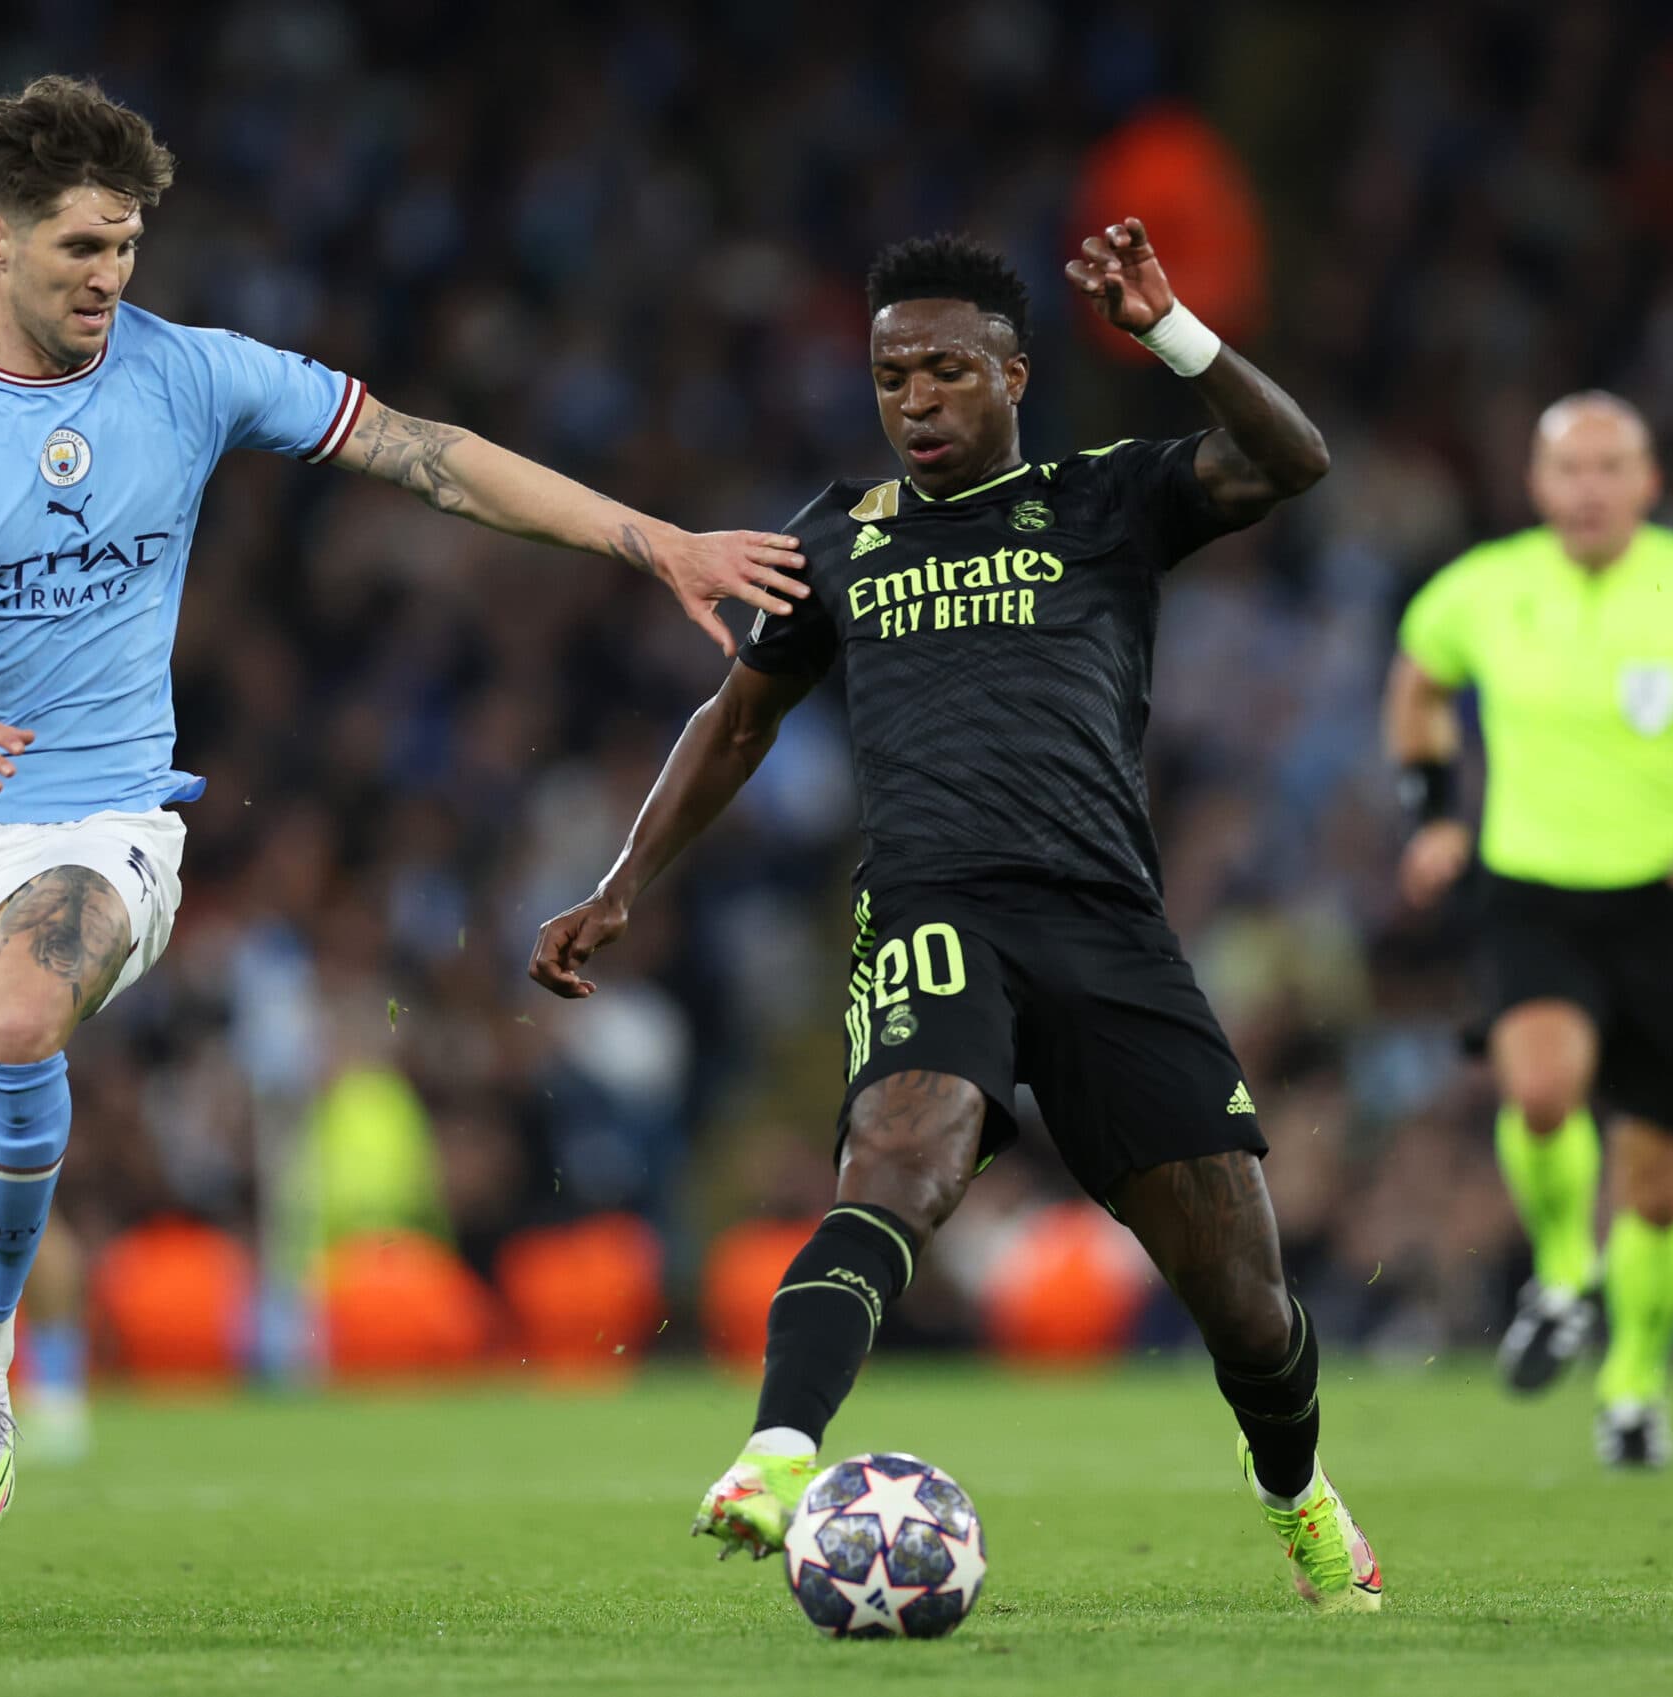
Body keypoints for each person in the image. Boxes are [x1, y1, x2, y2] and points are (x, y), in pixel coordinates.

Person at [0, 74, 806, 1632]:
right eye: (78, 248)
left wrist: (649, 537)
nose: (109, 276)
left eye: (126, 244)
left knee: (19, 1013)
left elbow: (426, 450)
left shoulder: (193, 374)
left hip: (104, 819)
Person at [533, 221, 1384, 1614]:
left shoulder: (1106, 497)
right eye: (891, 378)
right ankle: (775, 1453)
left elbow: (1293, 460)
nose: (916, 401)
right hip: (934, 907)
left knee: (1245, 1299)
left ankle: (1295, 1492)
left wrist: (1171, 333)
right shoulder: (836, 536)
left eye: (945, 371)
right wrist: (623, 882)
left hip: (1106, 923)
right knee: (896, 1161)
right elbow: (737, 719)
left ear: (1013, 375)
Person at [1385, 392, 1673, 1467]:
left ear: (1649, 481)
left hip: (1670, 902)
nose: (1590, 488)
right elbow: (1418, 687)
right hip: (1533, 891)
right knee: (1541, 1088)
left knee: (1659, 1187)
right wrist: (1434, 814)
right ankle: (1562, 1272)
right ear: (1537, 484)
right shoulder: (1483, 588)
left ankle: (1632, 1385)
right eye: (1570, 469)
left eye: (1611, 467)